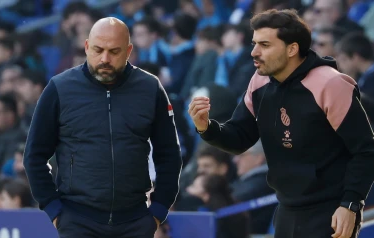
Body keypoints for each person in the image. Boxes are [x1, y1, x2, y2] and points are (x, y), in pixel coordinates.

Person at [188, 9, 374, 238]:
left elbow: (365, 150)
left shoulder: (330, 84)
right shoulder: (259, 81)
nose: (254, 52)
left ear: (292, 49)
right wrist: (207, 127)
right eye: (254, 43)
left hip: (331, 210)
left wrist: (351, 204)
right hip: (286, 207)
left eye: (264, 45)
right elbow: (240, 138)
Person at [23, 17, 182, 238]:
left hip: (135, 221)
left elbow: (169, 154)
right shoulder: (59, 88)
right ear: (87, 47)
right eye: (98, 50)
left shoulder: (150, 88)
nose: (104, 58)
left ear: (128, 51)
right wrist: (54, 209)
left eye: (114, 51)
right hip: (77, 221)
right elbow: (34, 155)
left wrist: (159, 209)